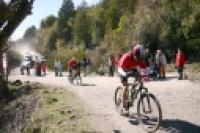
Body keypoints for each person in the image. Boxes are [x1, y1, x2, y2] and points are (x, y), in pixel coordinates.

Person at [117, 44, 147, 112]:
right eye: (138, 58)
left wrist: (148, 73)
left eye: (141, 58)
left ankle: (131, 95)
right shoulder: (126, 57)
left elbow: (144, 67)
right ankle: (124, 107)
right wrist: (124, 74)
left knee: (139, 79)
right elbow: (120, 68)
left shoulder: (139, 57)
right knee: (125, 88)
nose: (139, 60)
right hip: (122, 69)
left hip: (131, 68)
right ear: (134, 54)